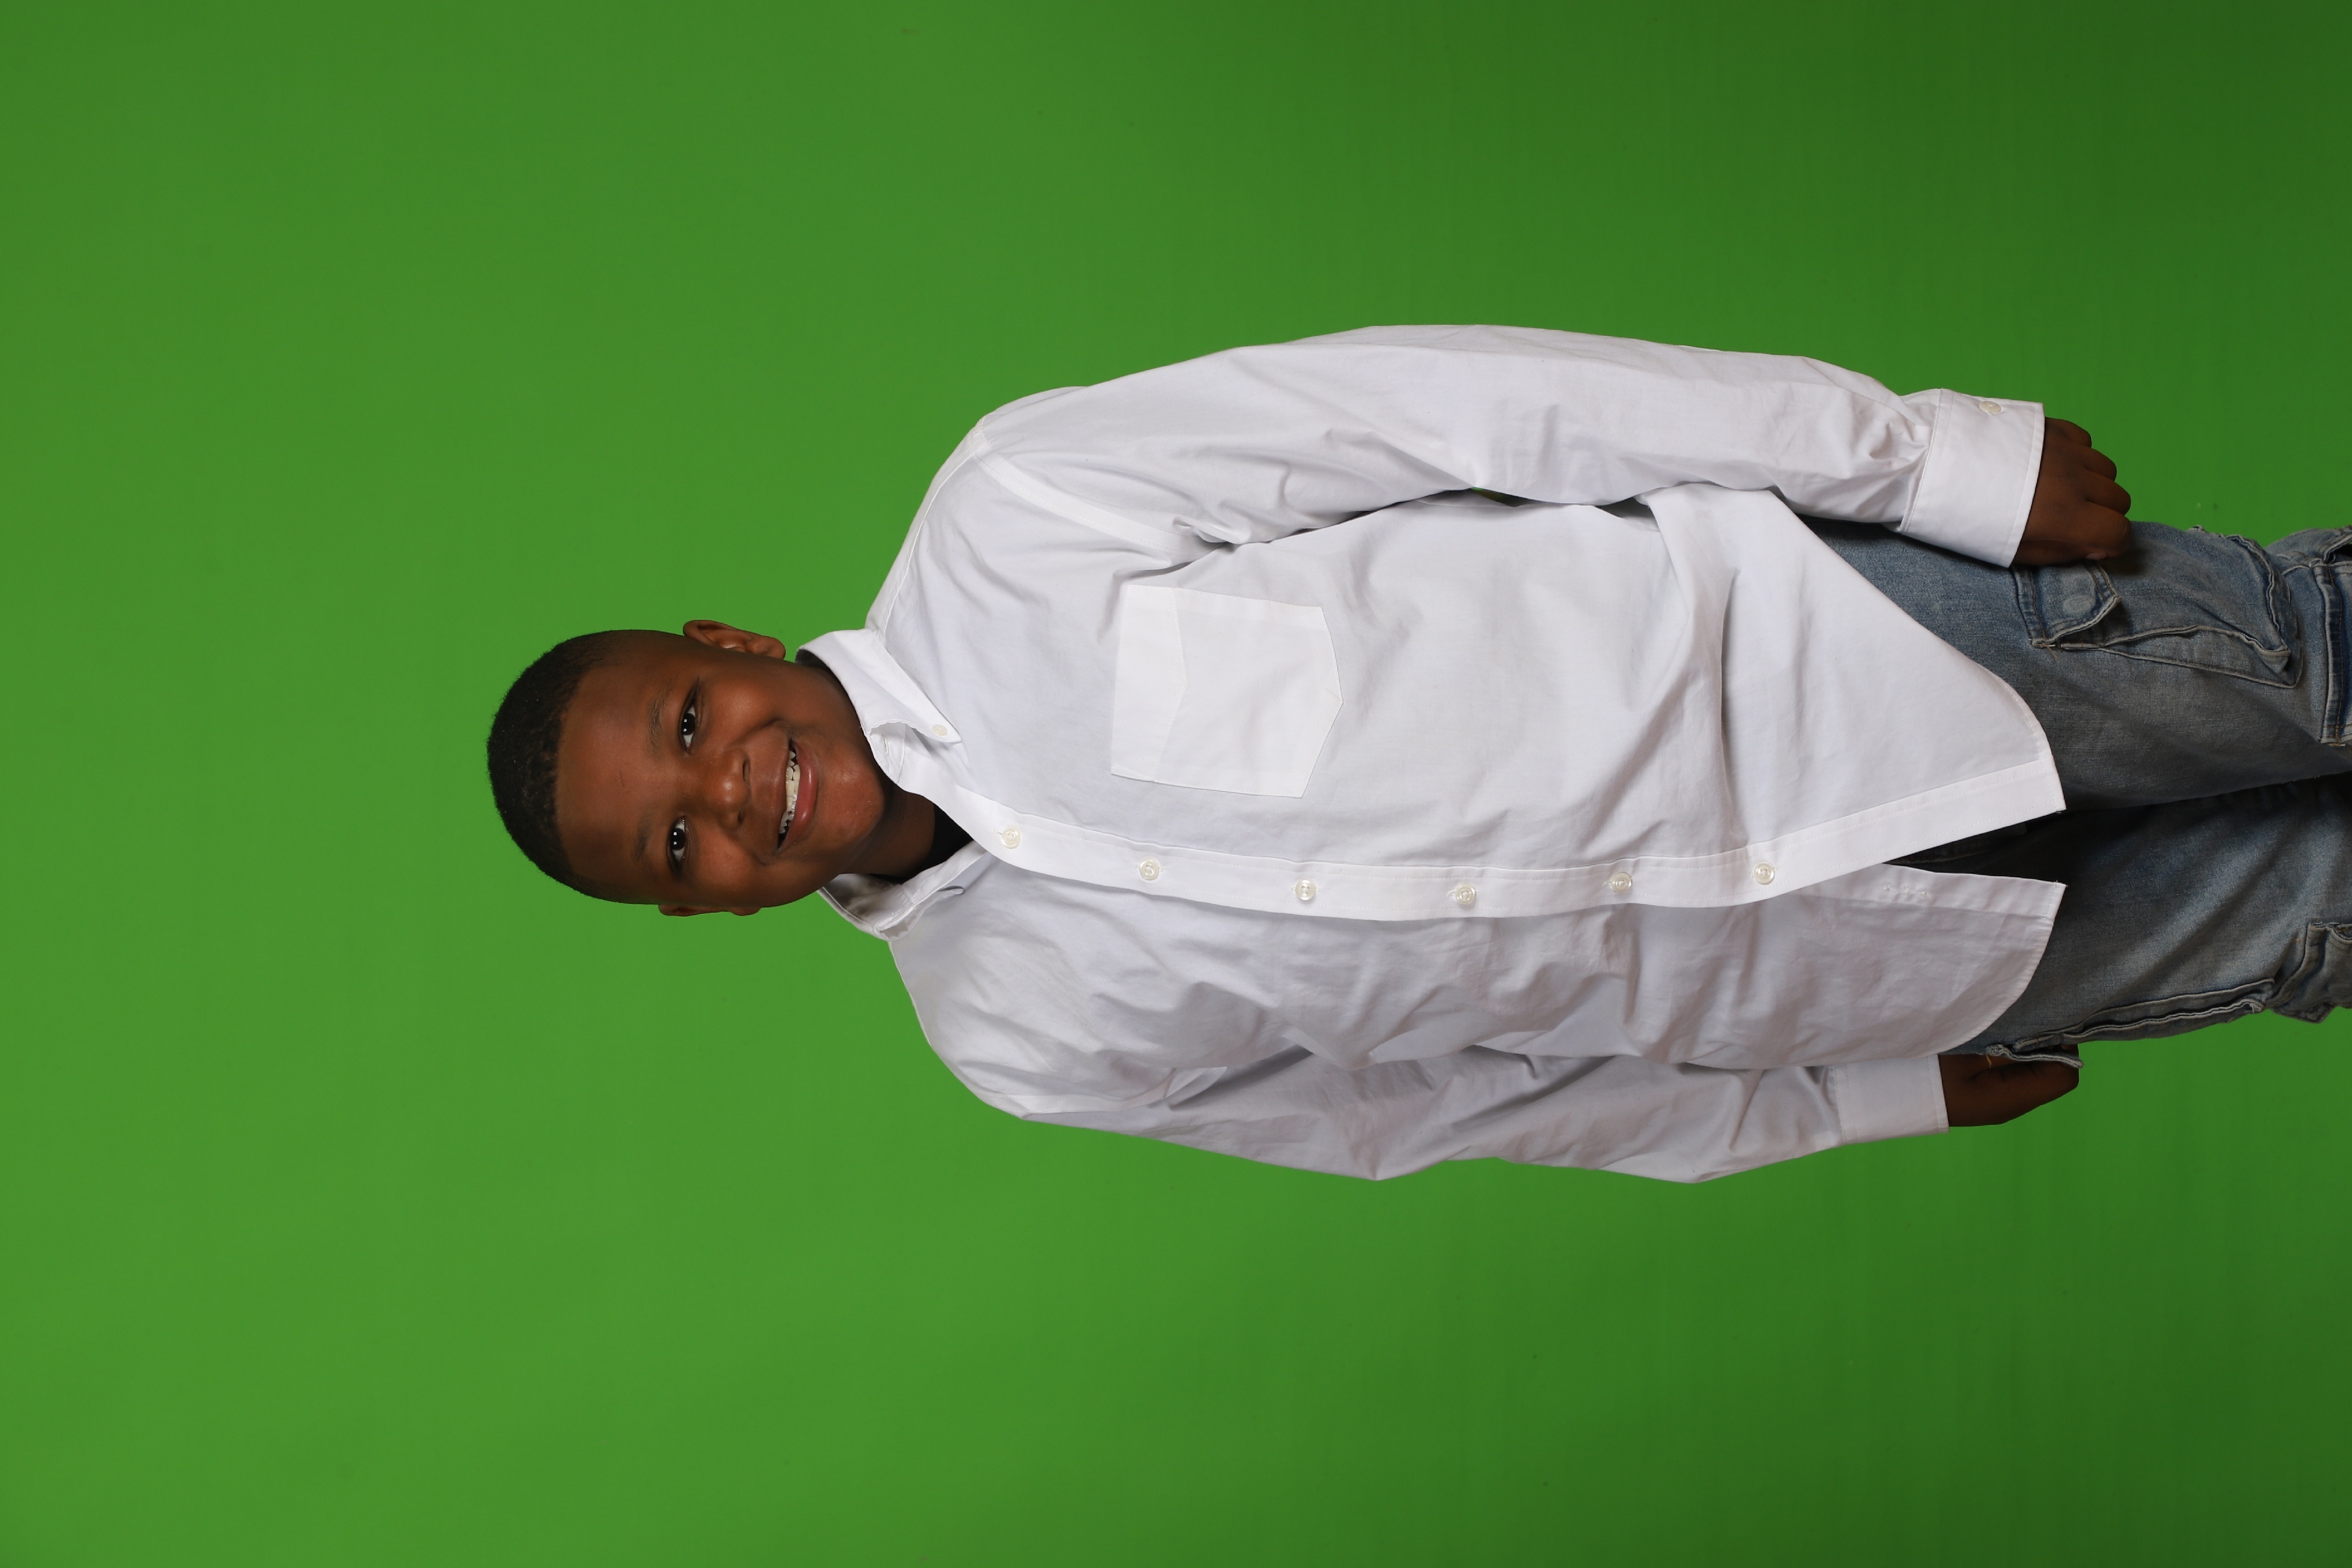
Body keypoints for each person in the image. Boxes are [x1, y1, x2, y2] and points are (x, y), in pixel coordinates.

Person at [486, 326, 2352, 1182]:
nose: (727, 793)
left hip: (1851, 647)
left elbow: (1460, 404)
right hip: (1865, 971)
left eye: (687, 728)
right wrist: (1841, 1100)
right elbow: (1446, 1114)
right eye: (677, 845)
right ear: (704, 912)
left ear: (725, 647)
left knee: (2327, 669)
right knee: (2320, 921)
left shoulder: (1013, 514)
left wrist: (1924, 458)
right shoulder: (1013, 1040)